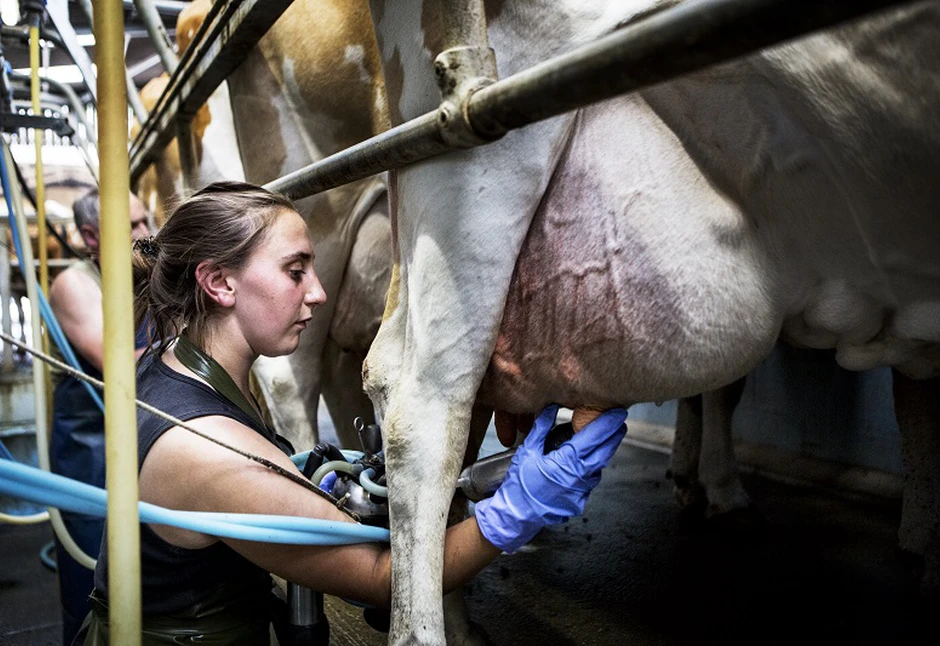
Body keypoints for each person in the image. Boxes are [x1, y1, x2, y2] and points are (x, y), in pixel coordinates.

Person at [78, 181, 629, 644]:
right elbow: (384, 578)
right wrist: (517, 510)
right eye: (296, 271)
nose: (317, 292)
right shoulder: (207, 450)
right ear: (219, 282)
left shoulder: (172, 363)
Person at [48, 188, 151, 645]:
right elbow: (120, 364)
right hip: (89, 451)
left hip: (139, 442)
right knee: (95, 585)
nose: (147, 234)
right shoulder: (75, 283)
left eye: (147, 220)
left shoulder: (144, 277)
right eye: (132, 227)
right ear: (92, 236)